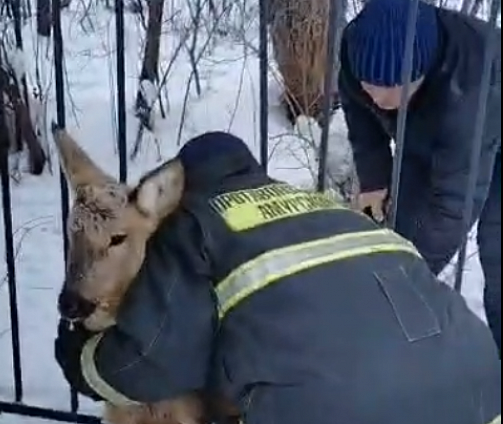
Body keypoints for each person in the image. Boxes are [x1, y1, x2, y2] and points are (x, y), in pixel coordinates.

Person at [54, 131, 501, 424]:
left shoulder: (190, 225)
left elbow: (154, 364)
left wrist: (79, 359)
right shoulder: (320, 206)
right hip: (481, 389)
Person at [337, 0, 501, 355]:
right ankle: (393, 343)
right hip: (426, 132)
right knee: (401, 232)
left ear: (423, 71)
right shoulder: (357, 50)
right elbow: (361, 117)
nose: (378, 98)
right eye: (370, 85)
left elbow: (453, 207)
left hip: (488, 125)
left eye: (393, 87)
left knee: (497, 249)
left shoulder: (470, 84)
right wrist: (374, 179)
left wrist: (409, 278)